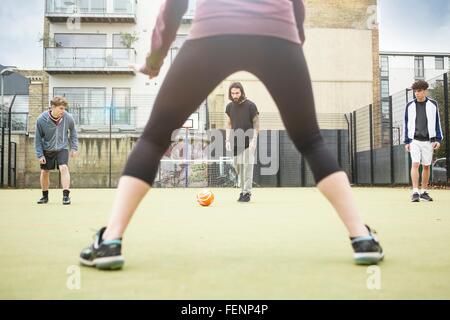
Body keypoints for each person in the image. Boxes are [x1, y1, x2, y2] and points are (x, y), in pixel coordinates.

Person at [79, 0, 384, 270]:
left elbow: (175, 6)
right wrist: (293, 45)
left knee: (153, 138)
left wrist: (154, 61)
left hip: (213, 35)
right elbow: (296, 7)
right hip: (277, 39)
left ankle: (110, 241)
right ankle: (361, 237)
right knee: (311, 141)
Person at [404, 80, 443, 202]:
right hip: (414, 140)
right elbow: (406, 123)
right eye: (415, 91)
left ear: (425, 91)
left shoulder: (433, 104)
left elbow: (438, 123)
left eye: (419, 91)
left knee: (426, 166)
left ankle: (424, 192)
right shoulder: (409, 105)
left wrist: (438, 139)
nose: (417, 93)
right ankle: (415, 192)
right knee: (415, 164)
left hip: (429, 141)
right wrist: (406, 141)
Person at [35, 96, 78, 205]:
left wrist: (74, 147)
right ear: (53, 107)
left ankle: (66, 196)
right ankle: (45, 196)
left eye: (64, 108)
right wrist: (40, 155)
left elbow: (73, 132)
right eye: (61, 108)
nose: (63, 111)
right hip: (47, 149)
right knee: (45, 172)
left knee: (64, 167)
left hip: (62, 148)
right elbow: (38, 138)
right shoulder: (41, 119)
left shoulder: (68, 117)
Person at [225, 82, 259, 202]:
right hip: (235, 142)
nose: (235, 95)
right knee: (238, 167)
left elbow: (256, 124)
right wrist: (227, 140)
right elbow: (229, 123)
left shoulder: (251, 106)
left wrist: (254, 140)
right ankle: (243, 190)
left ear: (242, 92)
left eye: (237, 93)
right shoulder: (229, 107)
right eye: (232, 93)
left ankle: (246, 193)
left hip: (249, 142)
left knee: (247, 168)